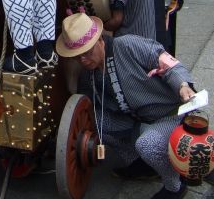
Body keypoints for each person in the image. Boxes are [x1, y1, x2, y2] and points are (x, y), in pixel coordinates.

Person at [56, 13, 204, 199]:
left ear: (100, 40)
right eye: (78, 57)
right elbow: (86, 107)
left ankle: (175, 186)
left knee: (147, 144)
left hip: (168, 115)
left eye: (87, 52)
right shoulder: (89, 74)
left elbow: (167, 62)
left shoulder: (127, 45)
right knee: (96, 122)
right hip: (135, 119)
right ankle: (142, 164)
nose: (83, 60)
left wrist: (183, 85)